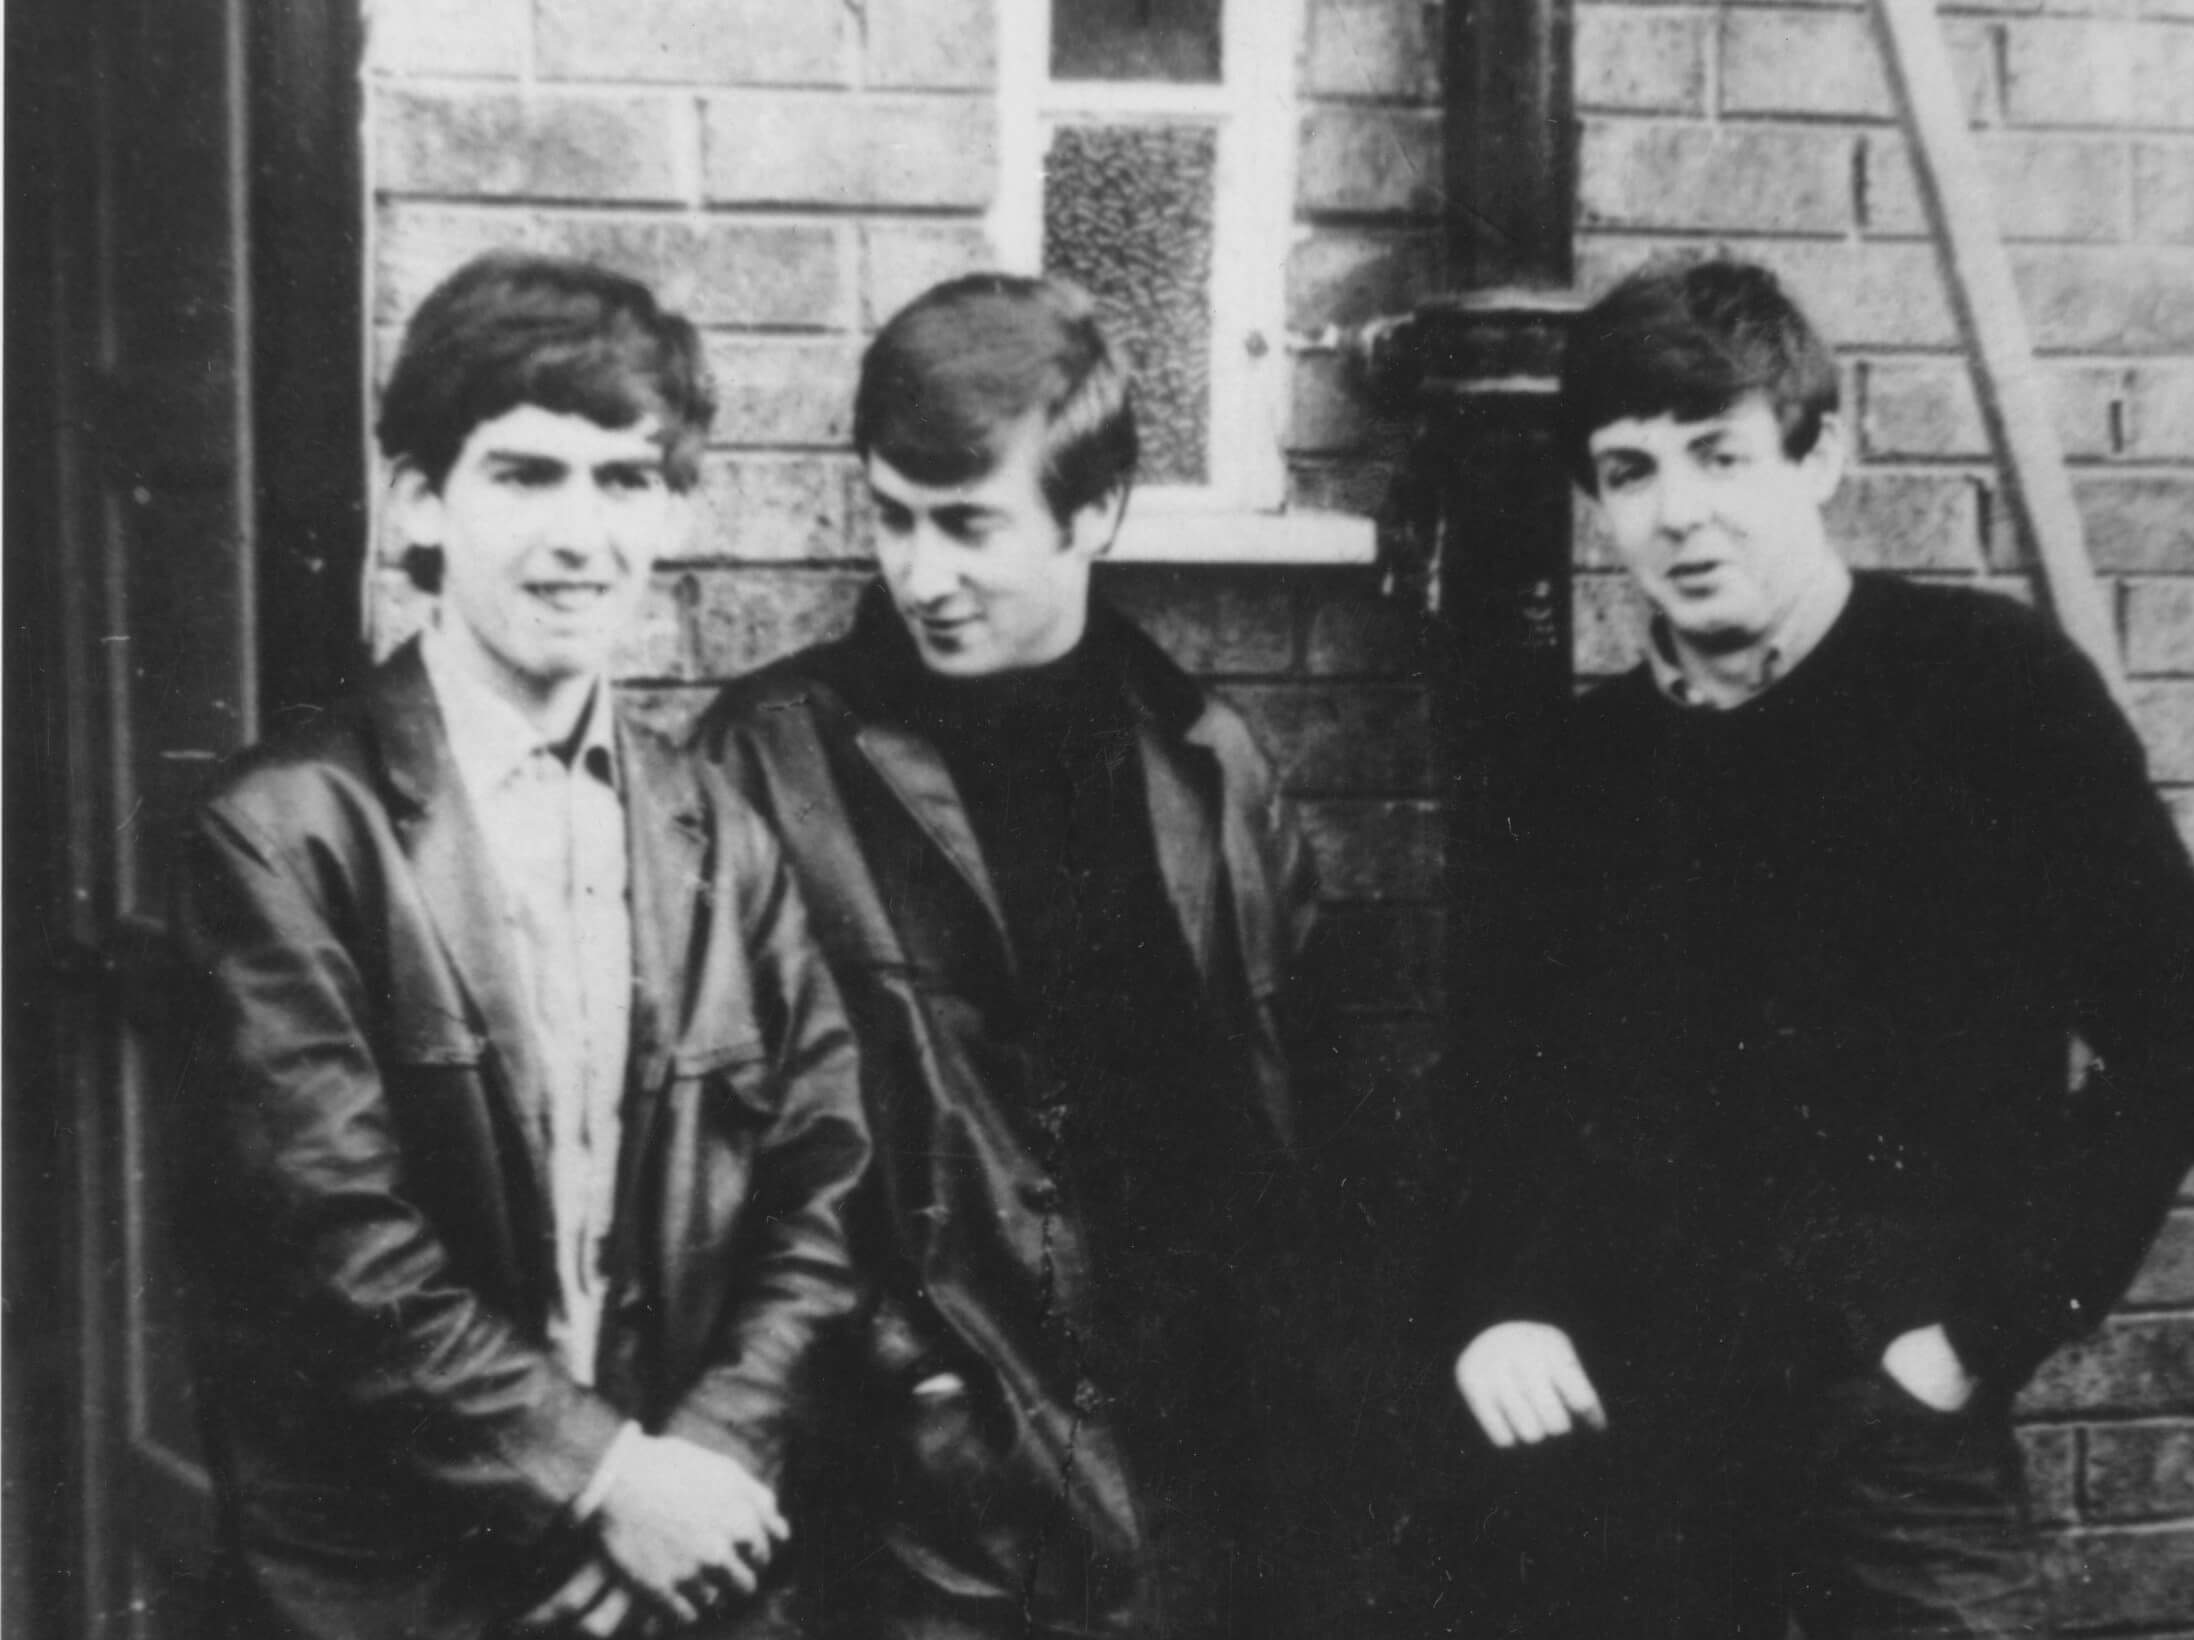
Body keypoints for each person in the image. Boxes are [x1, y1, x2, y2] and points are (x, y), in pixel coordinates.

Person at [1442, 257, 2194, 1637]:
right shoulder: (1572, 772)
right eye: (1631, 472)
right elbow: (1495, 1089)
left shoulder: (1986, 692)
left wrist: (1980, 1336)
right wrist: (1497, 1309)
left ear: (1821, 456)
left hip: (1893, 1437)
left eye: (1722, 455)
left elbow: (2185, 1029)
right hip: (1630, 1440)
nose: (1680, 513)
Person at [174, 252, 871, 1640]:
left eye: (624, 481)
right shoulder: (288, 834)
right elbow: (338, 1253)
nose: (580, 535)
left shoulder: (715, 831)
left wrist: (702, 1472)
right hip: (398, 1590)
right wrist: (602, 1479)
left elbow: (824, 1180)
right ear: (422, 500)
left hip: (675, 1584)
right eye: (525, 475)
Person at [700, 274, 1347, 1639]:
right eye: (892, 518)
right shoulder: (770, 761)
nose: (920, 573)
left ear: (1094, 511)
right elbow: (734, 1169)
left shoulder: (1209, 762)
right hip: (941, 1525)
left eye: (968, 524)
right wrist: (929, 1408)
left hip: (1221, 1496)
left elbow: (1302, 1121)